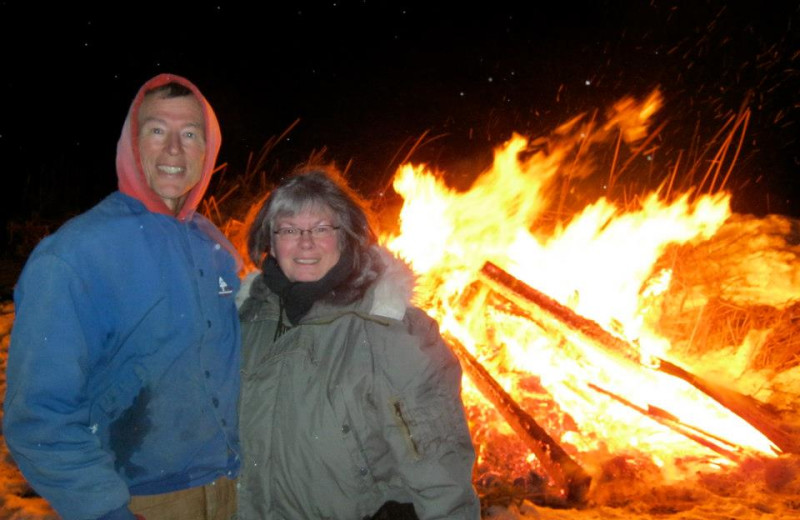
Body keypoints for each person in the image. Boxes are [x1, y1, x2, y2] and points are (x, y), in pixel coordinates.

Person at [3, 73, 241, 520]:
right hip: (137, 499)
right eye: (157, 131)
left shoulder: (214, 246)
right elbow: (38, 417)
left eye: (190, 134)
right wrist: (106, 510)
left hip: (230, 491)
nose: (174, 149)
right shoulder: (74, 255)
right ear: (132, 144)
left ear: (208, 151)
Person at [236, 166, 480, 519]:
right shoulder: (246, 320)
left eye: (322, 228)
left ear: (347, 235)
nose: (305, 242)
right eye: (289, 229)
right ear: (270, 241)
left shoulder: (389, 329)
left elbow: (441, 476)